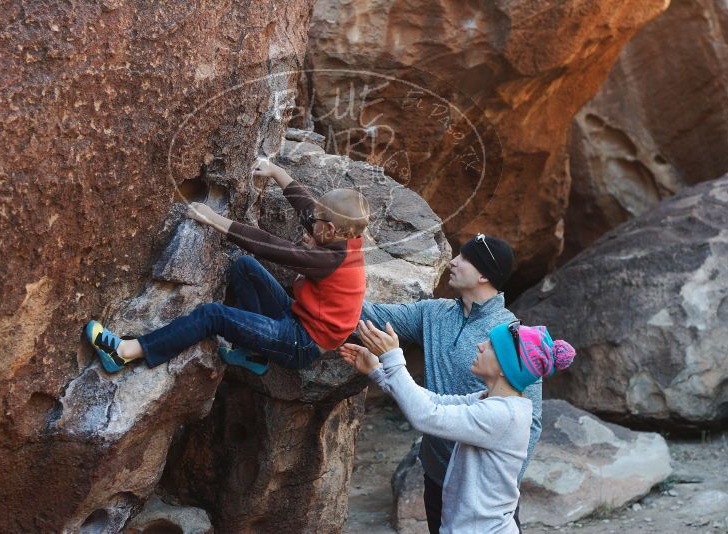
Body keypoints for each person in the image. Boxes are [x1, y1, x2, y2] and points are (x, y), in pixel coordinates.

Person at [84, 158, 370, 374]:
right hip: (297, 318)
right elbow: (309, 209)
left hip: (301, 343)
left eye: (318, 221)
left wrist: (213, 220)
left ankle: (124, 352)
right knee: (244, 267)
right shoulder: (342, 237)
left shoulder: (329, 260)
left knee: (213, 316)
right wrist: (275, 172)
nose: (311, 220)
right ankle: (253, 355)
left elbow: (268, 245)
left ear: (331, 230)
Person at [360, 234, 541, 533]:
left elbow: (532, 421)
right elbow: (373, 317)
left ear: (484, 274)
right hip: (437, 472)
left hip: (484, 491)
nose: (453, 262)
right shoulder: (434, 313)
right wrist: (322, 284)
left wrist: (499, 486)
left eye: (465, 258)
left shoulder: (510, 338)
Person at [341, 319, 575, 534]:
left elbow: (426, 416)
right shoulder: (491, 401)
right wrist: (378, 371)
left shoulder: (502, 415)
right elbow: (433, 402)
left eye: (492, 346)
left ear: (506, 367)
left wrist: (392, 356)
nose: (481, 346)